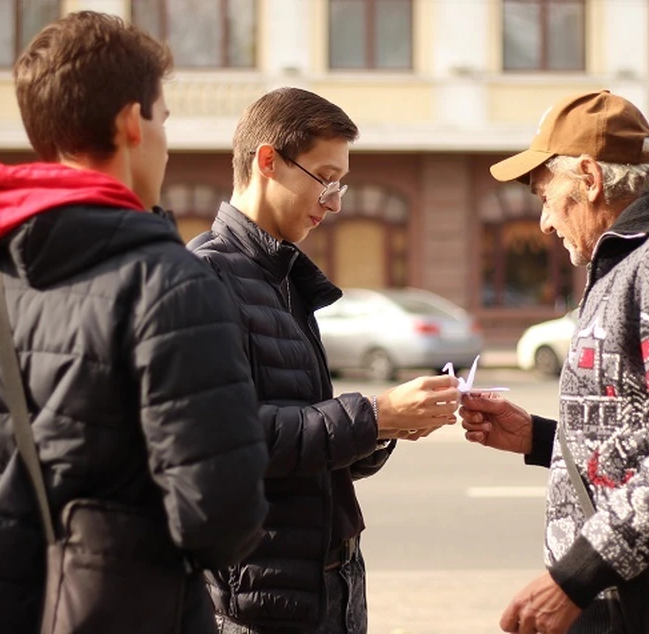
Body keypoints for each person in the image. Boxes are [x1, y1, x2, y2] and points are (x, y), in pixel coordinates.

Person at [0, 11, 268, 634]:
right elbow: (220, 517)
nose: (166, 140)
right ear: (128, 124)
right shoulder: (168, 282)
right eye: (162, 119)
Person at [460, 90, 649, 634]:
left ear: (591, 178)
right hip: (631, 596)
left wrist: (575, 577)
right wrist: (539, 439)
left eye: (546, 196)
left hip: (647, 601)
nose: (545, 222)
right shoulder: (636, 257)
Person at [188, 87, 461, 633]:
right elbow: (231, 441)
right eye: (325, 178)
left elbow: (311, 440)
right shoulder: (206, 277)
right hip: (258, 604)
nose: (335, 201)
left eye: (341, 183)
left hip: (327, 589)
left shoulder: (285, 277)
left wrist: (389, 429)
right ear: (269, 161)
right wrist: (375, 415)